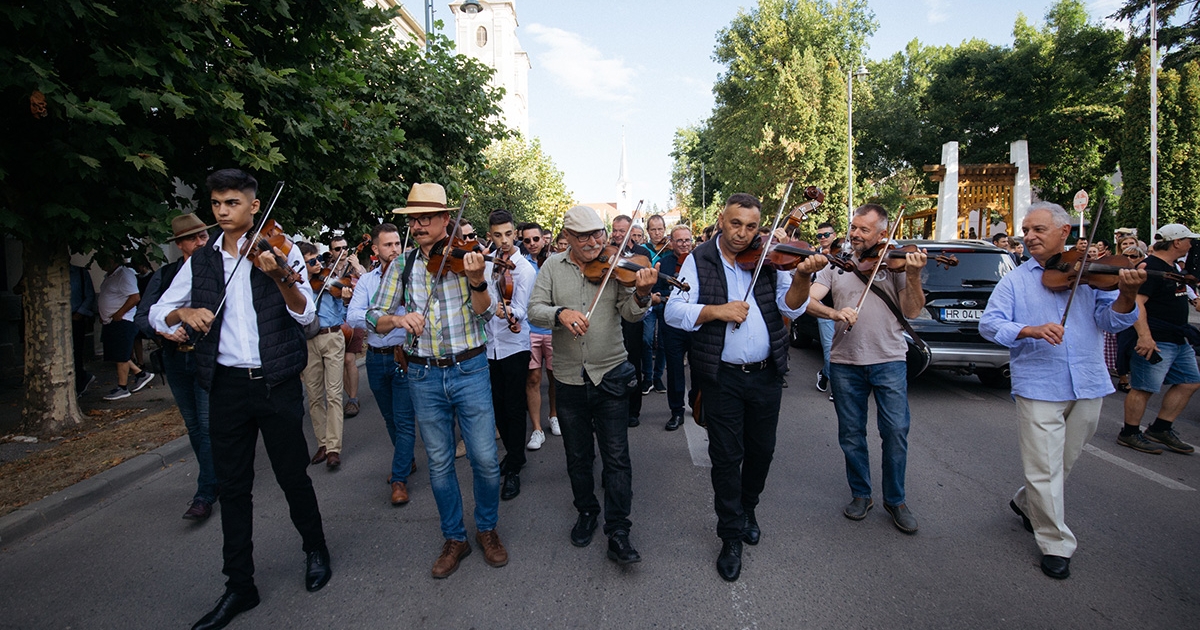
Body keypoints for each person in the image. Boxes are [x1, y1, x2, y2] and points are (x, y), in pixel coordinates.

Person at [150, 169, 330, 630]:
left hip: (276, 383)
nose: (223, 211)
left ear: (254, 207)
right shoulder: (202, 260)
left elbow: (306, 313)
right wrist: (183, 311)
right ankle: (239, 585)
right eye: (216, 204)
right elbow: (157, 311)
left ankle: (315, 548)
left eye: (232, 203)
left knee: (292, 476)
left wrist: (282, 279)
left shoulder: (278, 250)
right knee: (232, 488)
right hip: (227, 385)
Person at [980, 202, 1144, 580]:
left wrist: (1128, 295)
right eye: (1026, 230)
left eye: (1038, 229)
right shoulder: (1016, 279)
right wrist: (1030, 330)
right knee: (1044, 467)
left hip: (1088, 380)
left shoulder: (1092, 275)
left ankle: (1026, 502)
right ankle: (1055, 543)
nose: (1029, 236)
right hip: (1038, 383)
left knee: (1063, 463)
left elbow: (1112, 320)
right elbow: (990, 324)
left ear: (1064, 233)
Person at [665, 194, 819, 582]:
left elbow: (794, 306)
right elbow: (673, 310)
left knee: (762, 451)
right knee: (726, 456)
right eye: (736, 224)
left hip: (767, 375)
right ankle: (730, 534)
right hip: (723, 377)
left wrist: (802, 277)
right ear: (722, 219)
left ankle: (748, 507)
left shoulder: (769, 256)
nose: (743, 234)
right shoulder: (699, 259)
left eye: (752, 227)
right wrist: (717, 310)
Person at [378, 183, 508, 579]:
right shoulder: (401, 265)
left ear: (445, 221)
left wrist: (478, 280)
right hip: (422, 373)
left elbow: (487, 315)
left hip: (469, 369)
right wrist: (399, 320)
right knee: (439, 463)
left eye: (425, 218)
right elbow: (372, 317)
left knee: (485, 459)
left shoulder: (467, 259)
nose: (417, 225)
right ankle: (455, 537)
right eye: (412, 219)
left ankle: (486, 528)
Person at [528, 205, 656, 566]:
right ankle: (586, 511)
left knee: (617, 457)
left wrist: (643, 295)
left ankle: (619, 530)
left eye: (598, 234)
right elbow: (533, 309)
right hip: (568, 378)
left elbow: (631, 313)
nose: (594, 242)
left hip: (611, 373)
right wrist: (560, 314)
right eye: (583, 236)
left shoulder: (615, 267)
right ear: (566, 237)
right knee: (578, 456)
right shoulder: (552, 266)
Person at [804, 204, 926, 534]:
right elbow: (808, 300)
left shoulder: (896, 262)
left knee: (896, 431)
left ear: (882, 234)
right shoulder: (837, 262)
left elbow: (913, 310)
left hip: (889, 359)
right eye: (853, 228)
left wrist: (912, 274)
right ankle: (861, 493)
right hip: (845, 362)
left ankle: (896, 499)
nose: (855, 235)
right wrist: (833, 314)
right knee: (851, 434)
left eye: (863, 230)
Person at [135, 213, 218, 520]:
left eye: (204, 237)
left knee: (208, 425)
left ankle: (205, 491)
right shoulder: (167, 275)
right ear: (180, 244)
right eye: (195, 238)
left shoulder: (214, 269)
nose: (202, 242)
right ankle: (213, 476)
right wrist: (164, 329)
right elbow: (144, 316)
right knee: (193, 424)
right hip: (175, 356)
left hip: (206, 355)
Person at [347, 222, 417, 506]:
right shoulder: (367, 281)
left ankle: (399, 478)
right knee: (389, 418)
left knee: (403, 419)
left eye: (398, 244)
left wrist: (385, 317)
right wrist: (385, 319)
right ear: (375, 249)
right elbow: (353, 317)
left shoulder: (411, 274)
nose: (395, 250)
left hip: (404, 355)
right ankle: (407, 459)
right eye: (388, 245)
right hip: (376, 358)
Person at [1118, 224, 1200, 455]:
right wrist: (1144, 337)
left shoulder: (1172, 266)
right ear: (1176, 242)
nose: (1191, 244)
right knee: (1144, 387)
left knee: (1190, 381)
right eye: (1188, 240)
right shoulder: (1150, 267)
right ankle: (1129, 432)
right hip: (1156, 338)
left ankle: (1161, 428)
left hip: (1178, 337)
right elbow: (1137, 303)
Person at [484, 210, 536, 500]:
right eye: (497, 235)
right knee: (498, 405)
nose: (503, 241)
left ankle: (515, 464)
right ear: (490, 235)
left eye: (507, 234)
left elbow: (522, 309)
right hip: (488, 345)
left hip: (514, 345)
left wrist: (506, 311)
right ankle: (512, 453)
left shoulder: (524, 269)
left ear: (515, 233)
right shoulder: (486, 263)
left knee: (515, 406)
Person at [297, 241, 347, 471]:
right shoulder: (295, 287)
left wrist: (344, 294)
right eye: (312, 261)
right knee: (314, 395)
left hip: (331, 336)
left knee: (334, 394)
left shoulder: (329, 279)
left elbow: (345, 302)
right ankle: (323, 443)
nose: (318, 264)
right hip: (307, 342)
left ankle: (334, 448)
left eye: (318, 259)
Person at [520, 221, 559, 444]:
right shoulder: (519, 264)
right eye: (527, 240)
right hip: (530, 328)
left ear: (544, 239)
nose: (533, 244)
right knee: (533, 378)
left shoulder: (554, 262)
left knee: (554, 377)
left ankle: (553, 415)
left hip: (552, 327)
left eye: (536, 239)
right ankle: (536, 428)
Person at [611, 214, 652, 424]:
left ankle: (633, 410)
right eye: (615, 230)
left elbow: (646, 282)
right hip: (611, 313)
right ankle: (612, 407)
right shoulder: (606, 251)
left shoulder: (641, 254)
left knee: (633, 360)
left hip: (632, 311)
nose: (617, 234)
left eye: (622, 231)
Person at [97, 252, 154, 401]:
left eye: (104, 259)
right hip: (111, 321)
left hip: (123, 320)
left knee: (121, 355)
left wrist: (119, 313)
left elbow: (135, 297)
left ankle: (122, 387)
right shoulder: (110, 276)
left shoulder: (124, 274)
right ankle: (140, 374)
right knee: (116, 353)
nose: (101, 264)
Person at [660, 224, 694, 431]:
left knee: (699, 368)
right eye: (679, 240)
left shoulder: (700, 261)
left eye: (687, 240)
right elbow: (658, 289)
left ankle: (698, 405)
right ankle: (677, 411)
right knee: (674, 370)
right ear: (671, 242)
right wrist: (667, 296)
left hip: (695, 321)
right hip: (672, 324)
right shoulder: (664, 264)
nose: (683, 244)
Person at [328, 235, 366, 418]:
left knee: (350, 359)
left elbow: (370, 284)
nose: (342, 252)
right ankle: (348, 394)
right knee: (341, 360)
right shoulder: (328, 271)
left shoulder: (357, 268)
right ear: (331, 252)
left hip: (353, 317)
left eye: (344, 247)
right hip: (336, 318)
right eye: (337, 249)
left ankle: (352, 398)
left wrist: (358, 267)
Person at [640, 214, 670, 394]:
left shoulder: (671, 249)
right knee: (646, 339)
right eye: (653, 229)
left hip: (667, 298)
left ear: (665, 230)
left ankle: (658, 377)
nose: (657, 233)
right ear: (648, 231)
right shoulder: (643, 250)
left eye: (660, 229)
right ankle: (648, 377)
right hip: (650, 297)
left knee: (664, 341)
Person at [813, 222, 840, 395]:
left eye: (826, 235)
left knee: (843, 349)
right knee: (830, 349)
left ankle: (824, 374)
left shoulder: (845, 254)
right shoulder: (814, 255)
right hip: (825, 307)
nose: (823, 238)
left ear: (834, 235)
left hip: (845, 307)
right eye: (819, 236)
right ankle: (837, 389)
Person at [71, 262, 98, 396]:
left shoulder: (80, 273)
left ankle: (80, 382)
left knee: (76, 352)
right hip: (57, 317)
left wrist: (80, 313)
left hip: (76, 317)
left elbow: (89, 295)